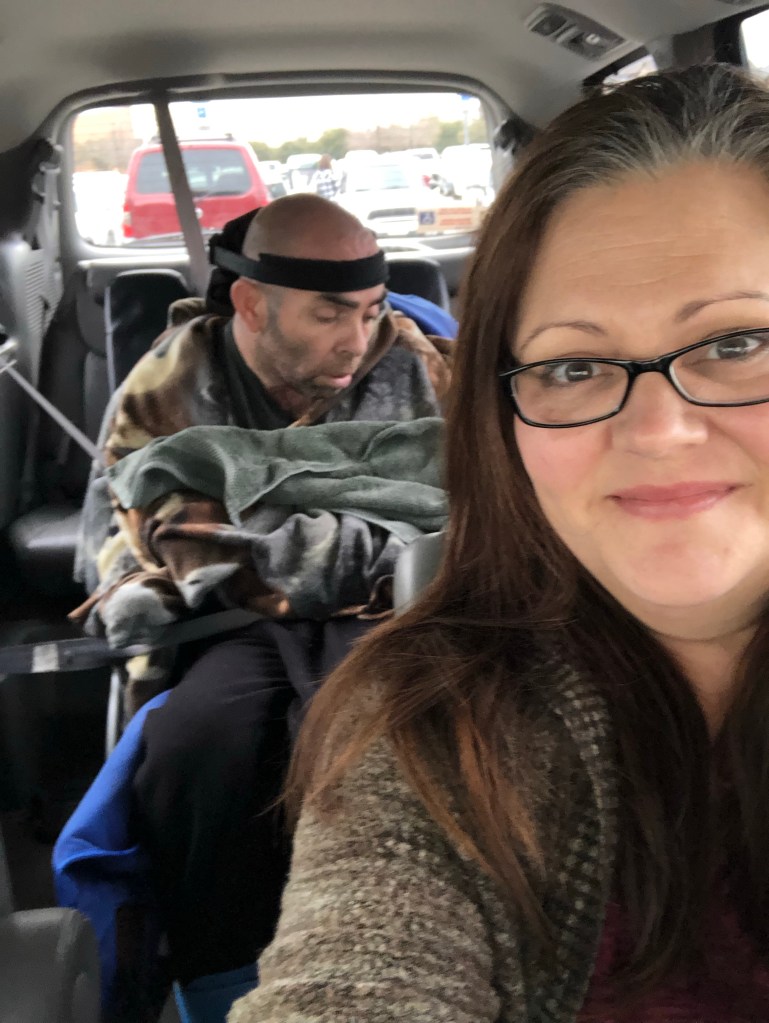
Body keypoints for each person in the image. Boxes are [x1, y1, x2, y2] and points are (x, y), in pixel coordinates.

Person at [231, 63, 769, 1022]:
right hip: (243, 611)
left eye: (737, 344)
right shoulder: (439, 736)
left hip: (360, 589)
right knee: (203, 740)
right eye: (572, 364)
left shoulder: (408, 361)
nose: (657, 432)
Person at [72, 193, 451, 995]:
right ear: (251, 304)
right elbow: (177, 537)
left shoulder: (416, 365)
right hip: (228, 618)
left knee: (391, 734)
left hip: (400, 608)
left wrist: (309, 543)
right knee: (199, 746)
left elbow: (464, 499)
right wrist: (354, 545)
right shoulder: (171, 382)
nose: (357, 339)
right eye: (328, 315)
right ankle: (220, 979)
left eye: (371, 310)